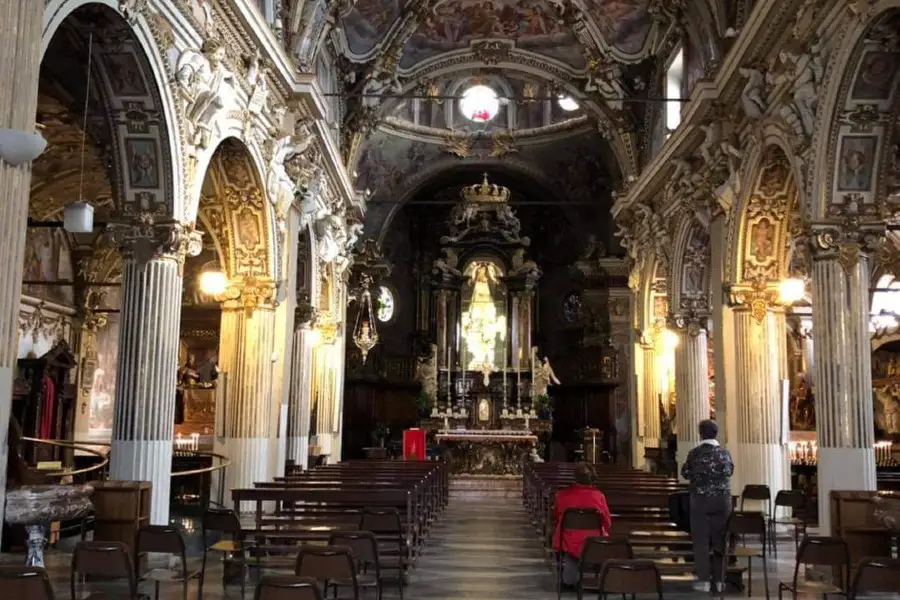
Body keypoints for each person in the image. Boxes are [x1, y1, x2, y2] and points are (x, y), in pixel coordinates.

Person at [680, 419, 734, 593]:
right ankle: (720, 580)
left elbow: (686, 473)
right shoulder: (725, 454)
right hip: (722, 502)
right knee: (721, 540)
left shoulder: (694, 454)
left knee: (701, 541)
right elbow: (730, 471)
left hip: (700, 501)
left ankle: (703, 579)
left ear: (701, 433)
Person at [552, 462, 612, 588]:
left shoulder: (561, 495)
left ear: (575, 477)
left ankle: (569, 580)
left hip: (568, 540)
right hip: (593, 541)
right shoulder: (599, 496)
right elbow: (606, 522)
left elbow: (557, 519)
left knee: (569, 542)